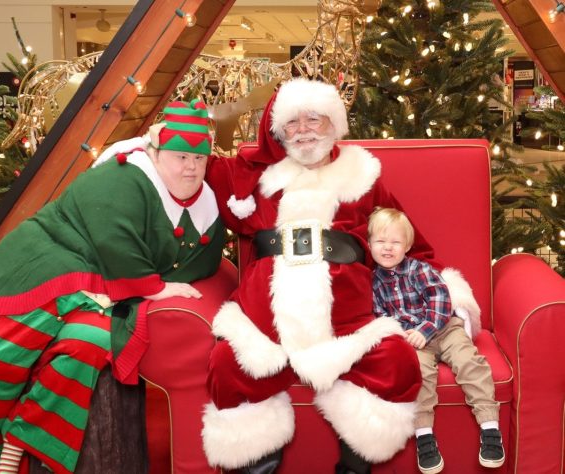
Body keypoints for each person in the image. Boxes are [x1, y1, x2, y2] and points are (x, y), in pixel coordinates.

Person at [200, 77, 482, 473]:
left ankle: (355, 466)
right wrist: (141, 151)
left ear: (333, 124)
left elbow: (406, 242)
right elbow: (189, 161)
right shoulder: (258, 179)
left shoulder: (361, 178)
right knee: (227, 362)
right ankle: (257, 463)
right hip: (266, 323)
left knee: (398, 360)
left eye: (313, 119)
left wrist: (447, 297)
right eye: (292, 123)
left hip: (347, 322)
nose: (302, 131)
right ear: (278, 131)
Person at [0, 99, 225, 474]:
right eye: (180, 156)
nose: (190, 167)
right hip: (43, 270)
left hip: (101, 297)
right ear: (155, 153)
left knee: (90, 344)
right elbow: (113, 236)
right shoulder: (124, 175)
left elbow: (204, 261)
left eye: (199, 159)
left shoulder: (205, 208)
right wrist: (154, 287)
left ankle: (20, 442)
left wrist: (154, 285)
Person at [368, 207, 504, 474]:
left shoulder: (420, 270)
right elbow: (379, 315)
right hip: (412, 340)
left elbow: (440, 300)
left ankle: (490, 428)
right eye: (380, 242)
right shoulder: (374, 282)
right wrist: (399, 333)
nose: (387, 248)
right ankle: (424, 436)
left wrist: (425, 330)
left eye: (395, 242)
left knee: (470, 362)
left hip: (444, 328)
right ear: (370, 244)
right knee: (418, 376)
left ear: (407, 246)